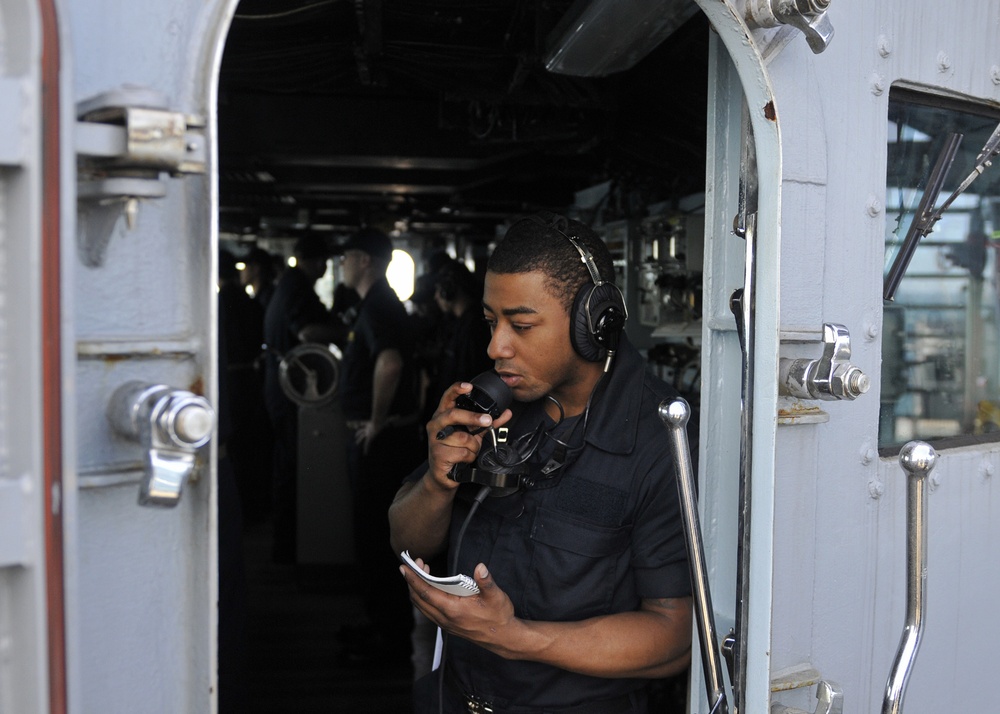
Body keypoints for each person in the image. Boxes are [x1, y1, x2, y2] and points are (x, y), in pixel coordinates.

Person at [388, 212, 693, 713]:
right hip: (453, 697)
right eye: (491, 322)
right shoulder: (487, 407)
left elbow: (673, 634)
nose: (495, 347)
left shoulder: (660, 440)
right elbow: (406, 540)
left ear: (592, 322)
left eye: (522, 325)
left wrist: (516, 638)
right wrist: (437, 482)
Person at [336, 227, 424, 663]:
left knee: (376, 535)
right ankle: (382, 624)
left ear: (365, 260)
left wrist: (374, 423)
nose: (342, 264)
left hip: (383, 441)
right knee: (376, 535)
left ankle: (387, 634)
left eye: (347, 256)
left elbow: (389, 363)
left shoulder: (376, 307)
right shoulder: (379, 304)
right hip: (391, 434)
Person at [262, 236, 336, 563]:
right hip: (288, 389)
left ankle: (286, 543)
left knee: (285, 462)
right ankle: (291, 546)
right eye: (322, 261)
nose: (324, 268)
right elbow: (307, 333)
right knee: (292, 465)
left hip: (276, 384)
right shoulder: (298, 288)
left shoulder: (289, 284)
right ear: (311, 260)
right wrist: (344, 331)